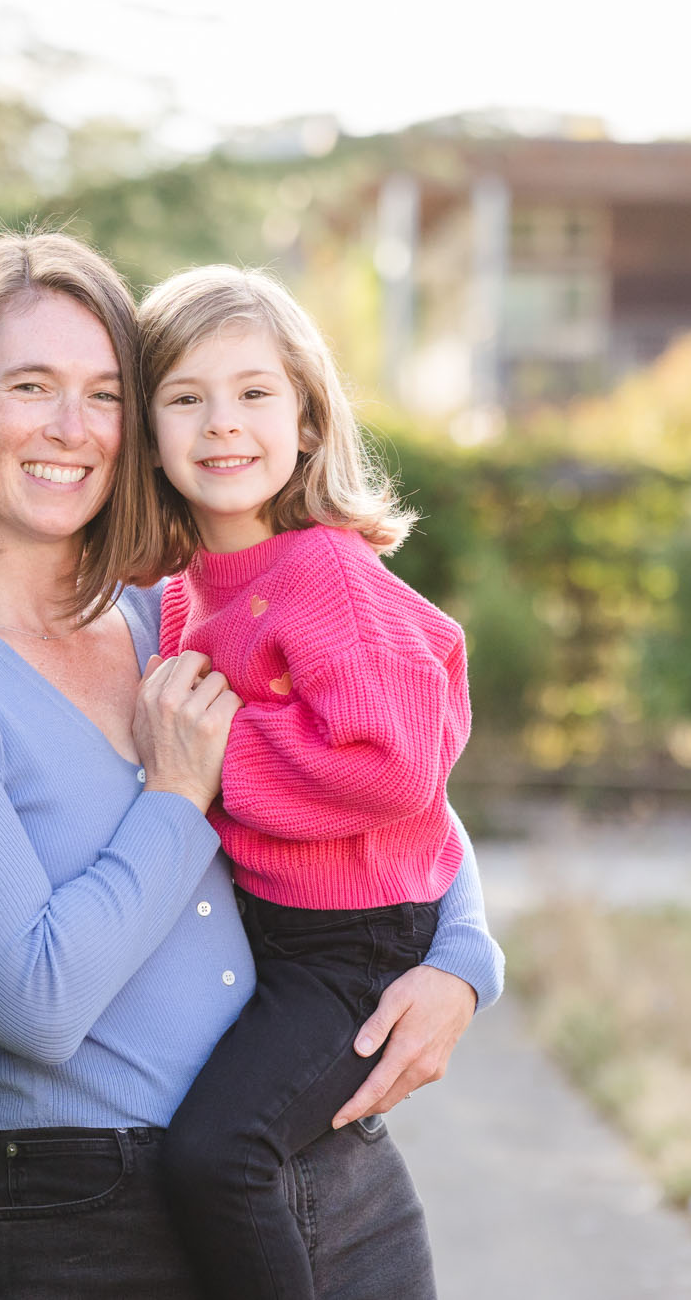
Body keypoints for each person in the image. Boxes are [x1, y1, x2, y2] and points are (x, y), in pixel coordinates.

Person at [0, 231, 503, 1300]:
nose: (70, 428)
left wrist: (462, 962)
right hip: (98, 1229)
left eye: (102, 393)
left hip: (332, 1179)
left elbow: (393, 787)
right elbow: (38, 1005)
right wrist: (176, 794)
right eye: (31, 385)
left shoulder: (166, 614)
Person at [133, 266, 472, 1300]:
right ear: (144, 430)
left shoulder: (318, 571)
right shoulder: (186, 588)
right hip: (276, 931)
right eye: (184, 397)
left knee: (216, 1156)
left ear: (308, 420)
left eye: (252, 394)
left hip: (352, 941)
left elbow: (396, 758)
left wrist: (212, 756)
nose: (220, 424)